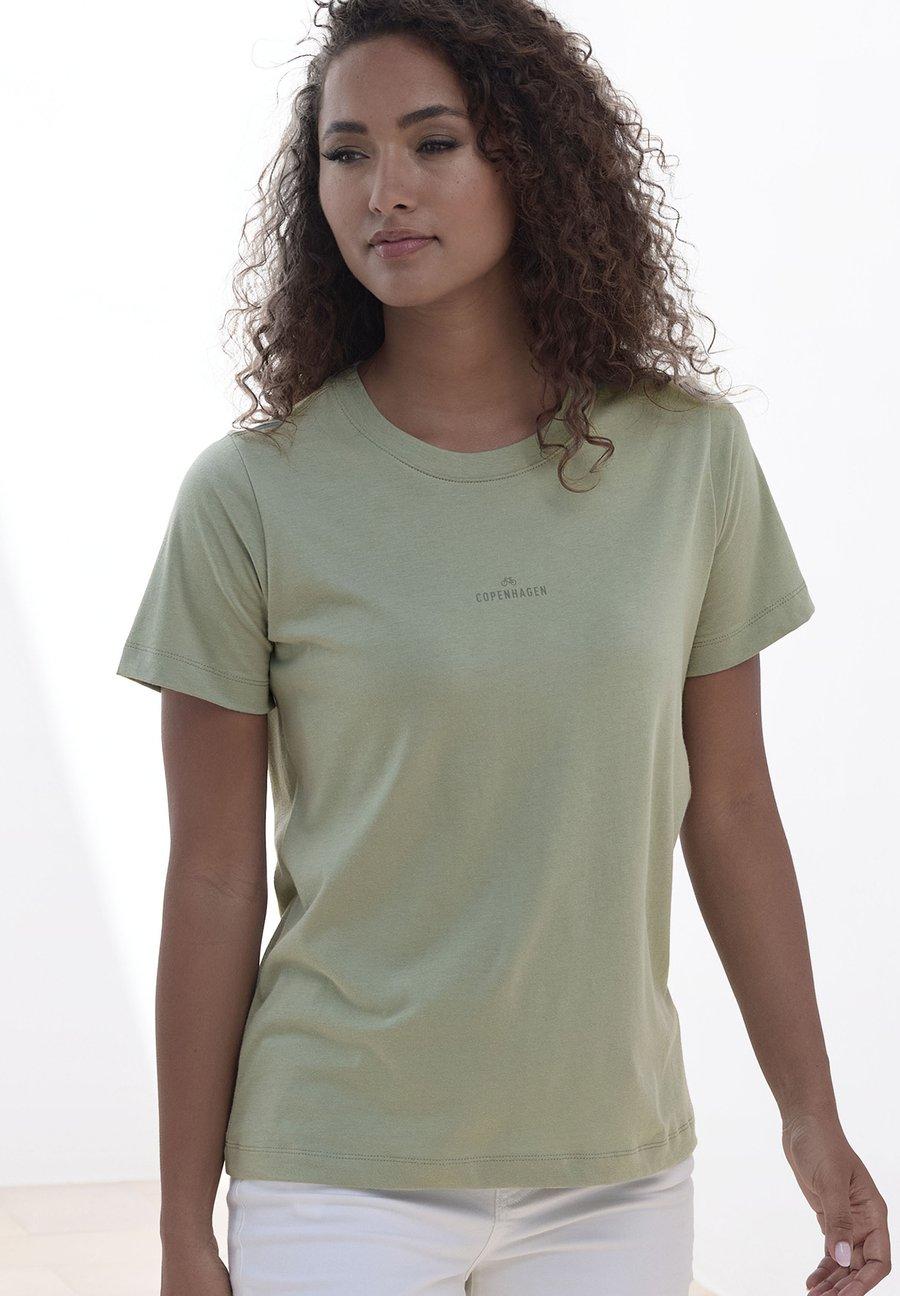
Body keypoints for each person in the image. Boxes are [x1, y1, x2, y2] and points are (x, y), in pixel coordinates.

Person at [116, 1, 891, 1293]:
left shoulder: (689, 459)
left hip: (613, 1174)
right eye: (347, 152)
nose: (384, 189)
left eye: (434, 142)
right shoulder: (250, 496)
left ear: (531, 158)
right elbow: (210, 878)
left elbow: (732, 809)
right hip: (338, 1166)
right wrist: (181, 1229)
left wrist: (811, 1120)